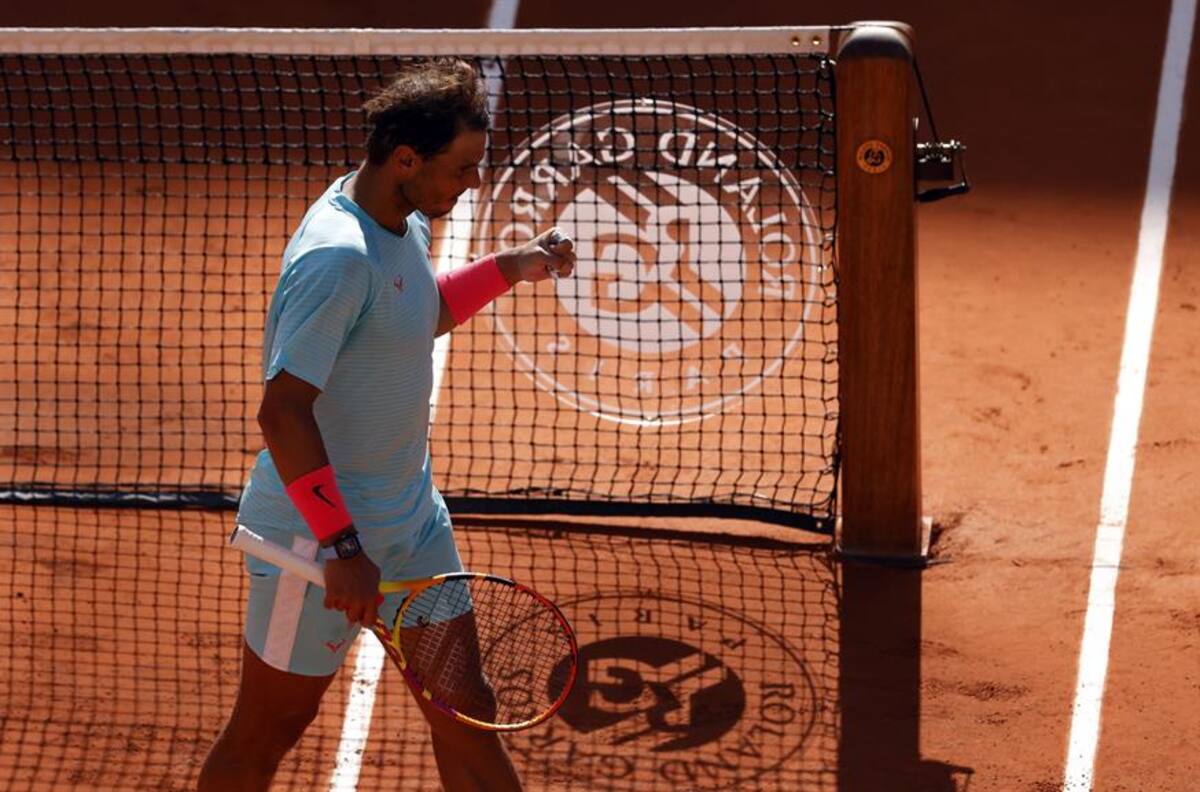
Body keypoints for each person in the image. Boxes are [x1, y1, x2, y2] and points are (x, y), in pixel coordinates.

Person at [199, 58, 575, 792]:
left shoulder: (397, 217)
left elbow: (416, 313)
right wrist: (341, 545)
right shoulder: (337, 259)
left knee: (467, 713)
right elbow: (282, 409)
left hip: (410, 525)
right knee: (268, 730)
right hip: (313, 543)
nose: (471, 185)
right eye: (462, 169)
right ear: (407, 158)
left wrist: (510, 265)